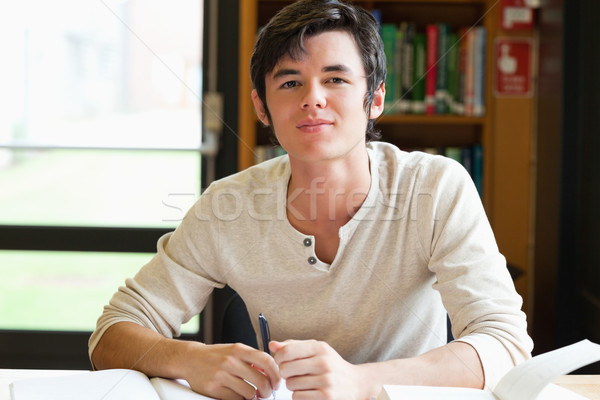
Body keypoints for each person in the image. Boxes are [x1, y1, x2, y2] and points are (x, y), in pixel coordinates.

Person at [89, 1, 533, 399]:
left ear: (374, 98)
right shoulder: (226, 205)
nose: (313, 99)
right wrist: (188, 359)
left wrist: (359, 381)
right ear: (262, 108)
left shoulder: (435, 187)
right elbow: (111, 334)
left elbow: (506, 342)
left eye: (335, 78)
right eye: (290, 83)